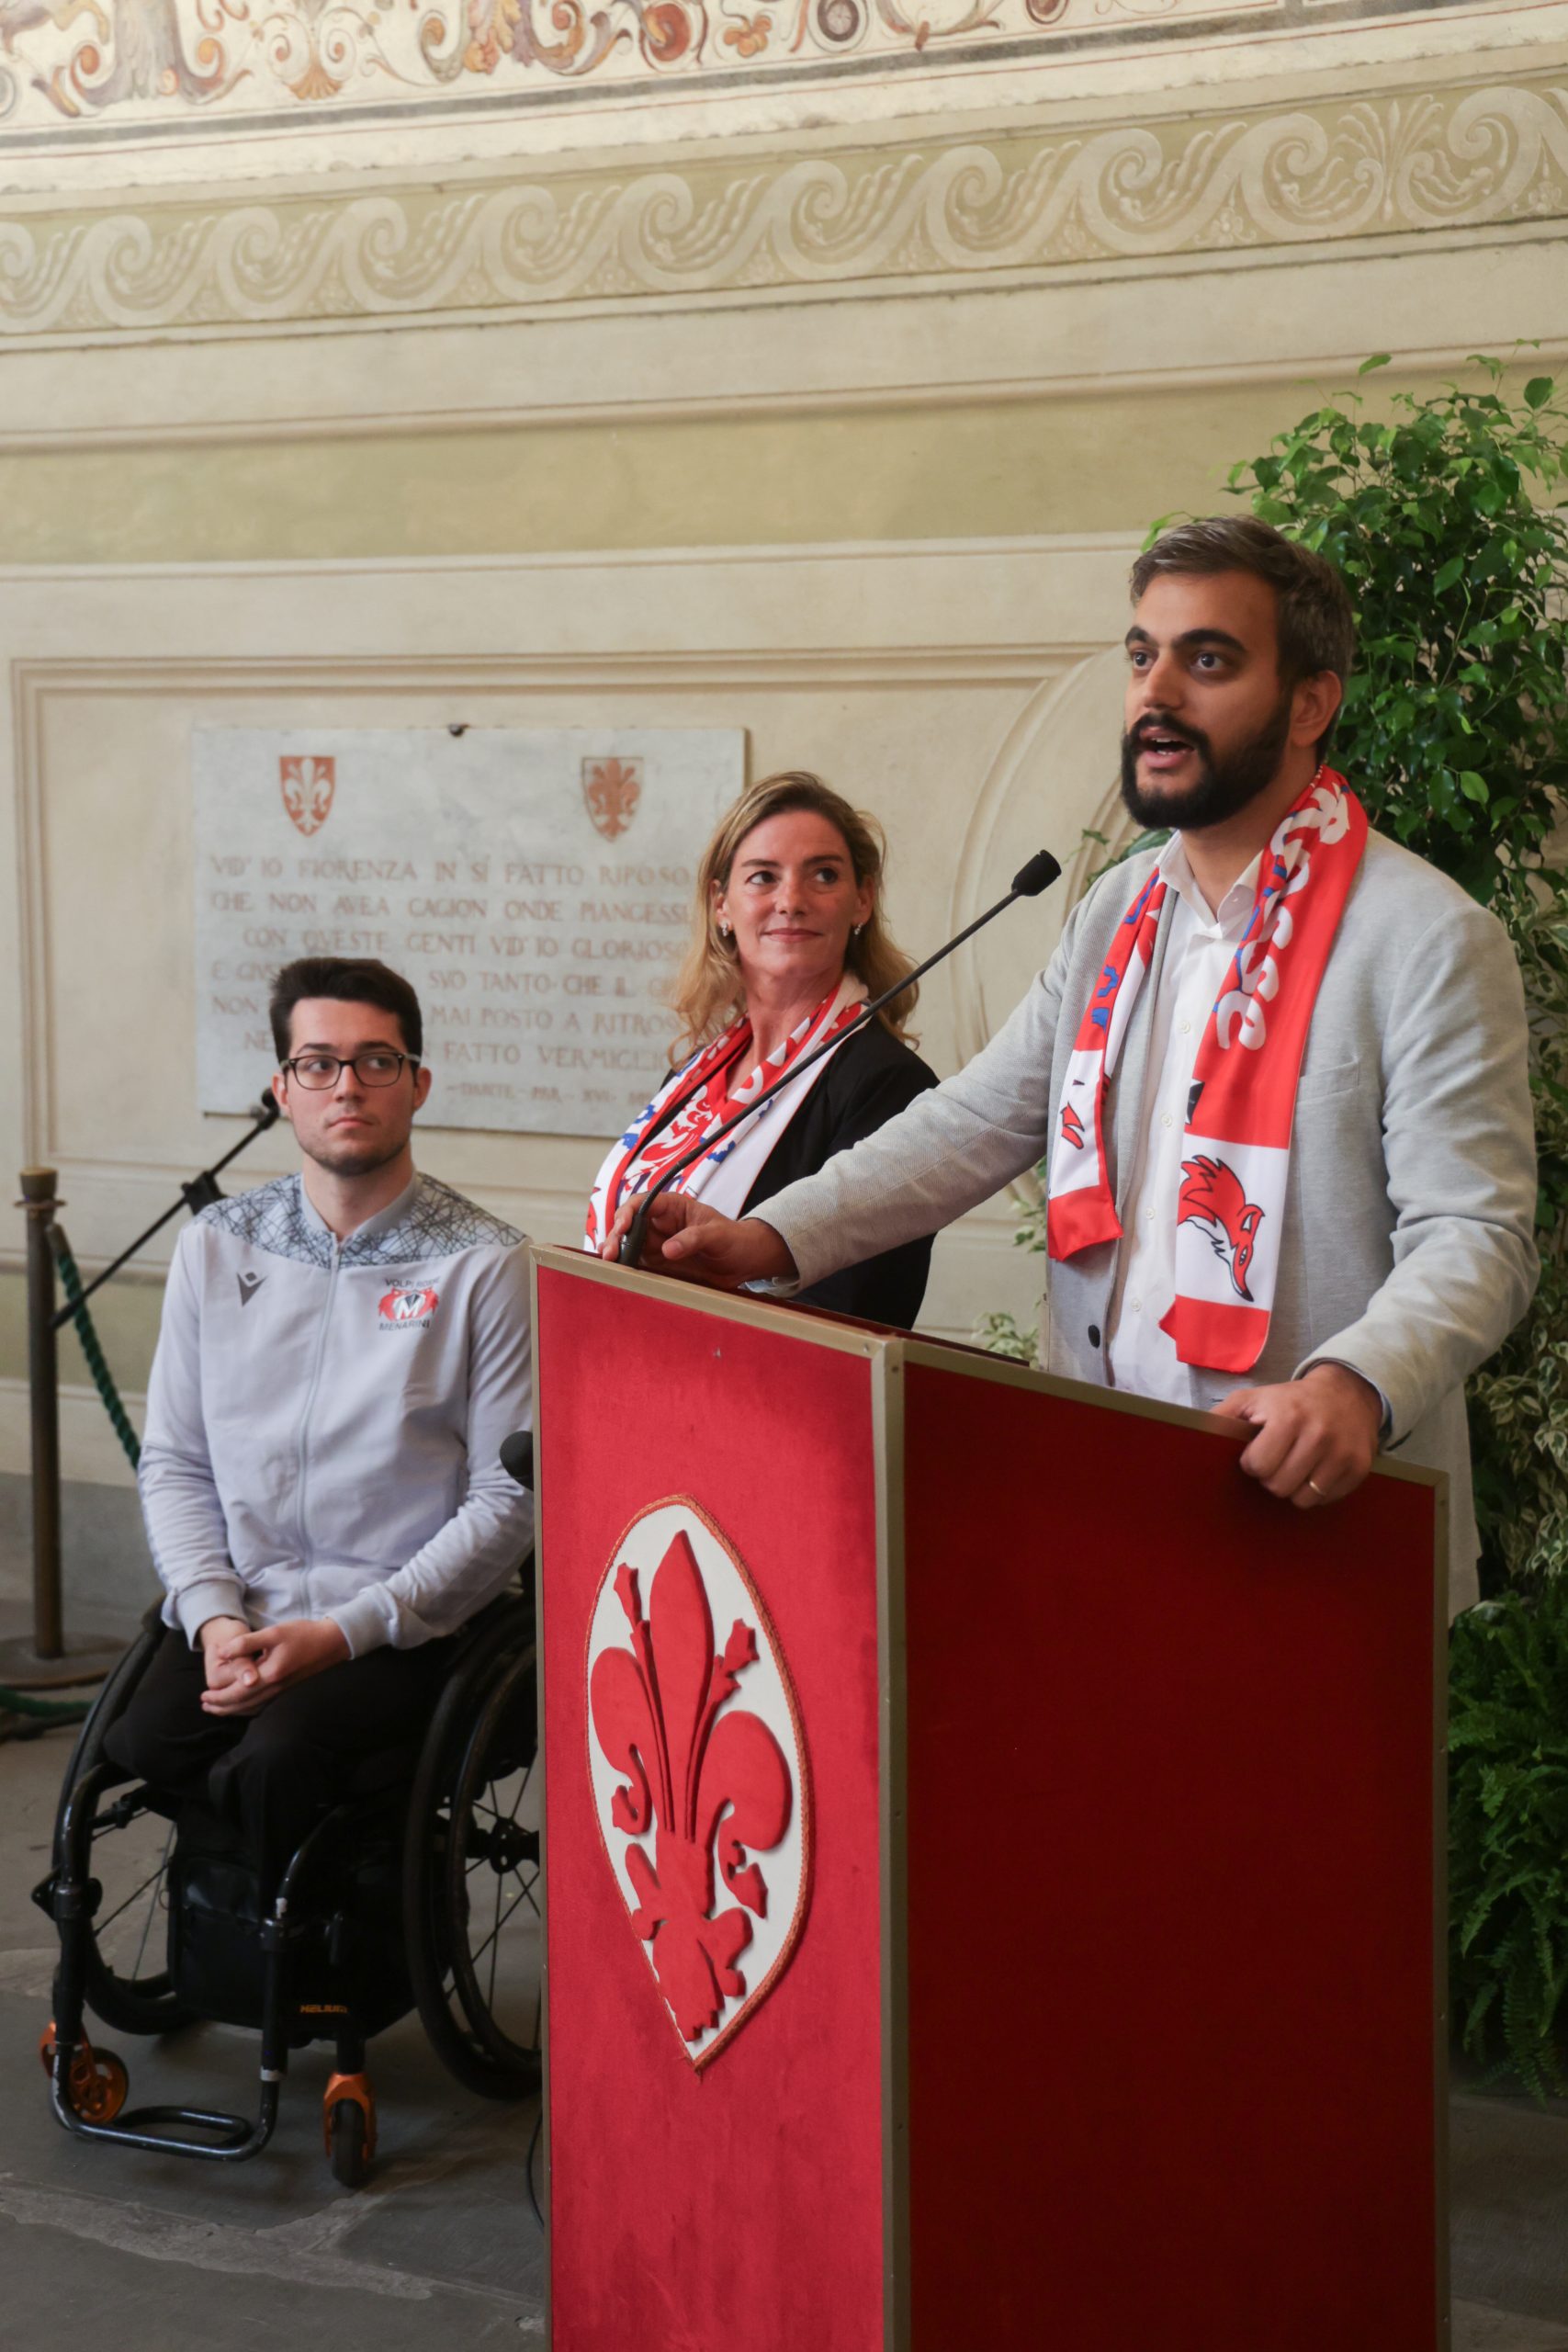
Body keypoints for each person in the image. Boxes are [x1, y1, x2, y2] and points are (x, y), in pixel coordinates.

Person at [604, 519, 1540, 1616]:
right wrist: (772, 1236)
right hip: (1102, 1492)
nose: (1157, 694)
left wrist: (1356, 1380)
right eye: (1143, 655)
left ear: (1309, 704)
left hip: (1321, 1526)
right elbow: (975, 1121)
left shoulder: (1424, 937)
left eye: (1208, 659)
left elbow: (1478, 1236)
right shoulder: (1119, 909)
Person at [107, 956, 533, 1890]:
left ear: (418, 1084)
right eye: (318, 1062)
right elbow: (177, 1461)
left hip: (401, 1622)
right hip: (249, 1602)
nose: (347, 1085)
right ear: (281, 1089)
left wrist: (342, 1633)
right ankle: (235, 1916)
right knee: (142, 1735)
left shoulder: (485, 1265)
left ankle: (308, 1961)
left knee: (278, 1759)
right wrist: (214, 1617)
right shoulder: (216, 1245)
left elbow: (508, 1500)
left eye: (377, 1061)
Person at [586, 771, 939, 1328]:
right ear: (721, 905)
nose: (791, 901)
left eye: (823, 875)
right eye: (763, 877)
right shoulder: (693, 1075)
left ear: (862, 901)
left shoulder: (890, 1085)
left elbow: (859, 1314)